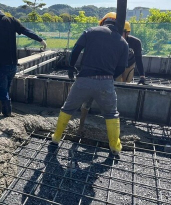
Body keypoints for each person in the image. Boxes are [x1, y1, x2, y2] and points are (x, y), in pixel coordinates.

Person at [51, 12, 128, 156]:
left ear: (103, 22)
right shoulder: (123, 42)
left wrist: (71, 66)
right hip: (106, 83)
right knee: (111, 114)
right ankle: (115, 148)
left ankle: (56, 138)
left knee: (67, 108)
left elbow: (76, 49)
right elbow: (122, 67)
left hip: (84, 80)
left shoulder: (91, 31)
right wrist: (109, 77)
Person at [0, 0, 47, 117]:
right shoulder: (11, 20)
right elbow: (26, 31)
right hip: (13, 64)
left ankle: (6, 112)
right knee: (7, 86)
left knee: (2, 89)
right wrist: (40, 40)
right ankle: (3, 106)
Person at [79, 21, 147, 130]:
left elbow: (139, 59)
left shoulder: (135, 42)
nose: (118, 35)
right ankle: (97, 117)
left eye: (121, 33)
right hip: (113, 66)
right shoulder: (111, 39)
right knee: (112, 86)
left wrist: (142, 76)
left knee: (125, 87)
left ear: (127, 32)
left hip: (129, 65)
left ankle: (118, 116)